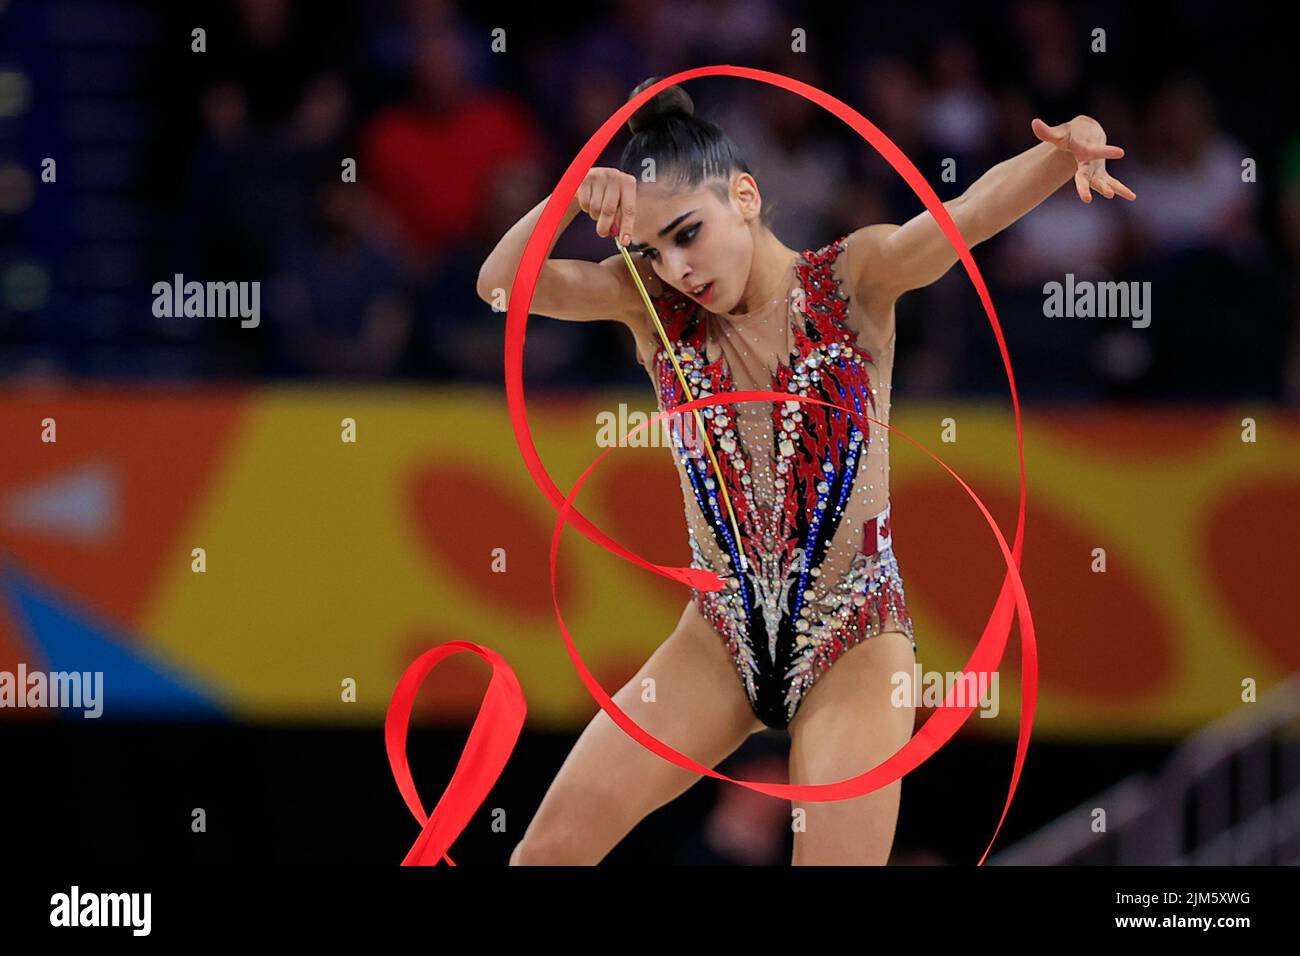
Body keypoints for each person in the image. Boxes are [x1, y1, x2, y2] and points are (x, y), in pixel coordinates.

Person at [476, 78, 1133, 865]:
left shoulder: (852, 279)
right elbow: (500, 286)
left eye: (687, 234)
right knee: (543, 855)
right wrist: (568, 192)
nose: (677, 268)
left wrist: (1063, 154)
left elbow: (966, 217)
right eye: (652, 250)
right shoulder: (649, 306)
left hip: (852, 638)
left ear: (746, 196)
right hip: (719, 642)